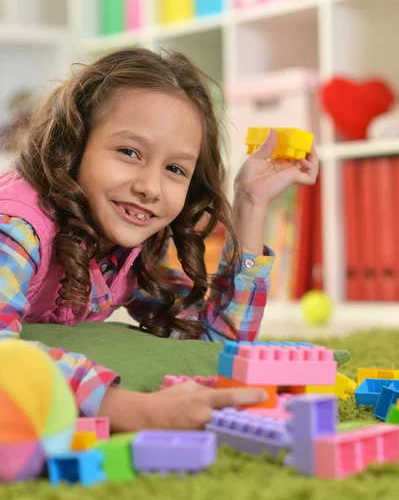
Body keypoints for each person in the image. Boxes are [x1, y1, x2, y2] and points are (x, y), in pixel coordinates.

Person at [0, 48, 318, 431]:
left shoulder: (131, 248)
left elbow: (212, 342)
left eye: (174, 169)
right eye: (129, 152)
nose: (150, 188)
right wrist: (135, 410)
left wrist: (250, 204)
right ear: (74, 146)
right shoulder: (15, 227)